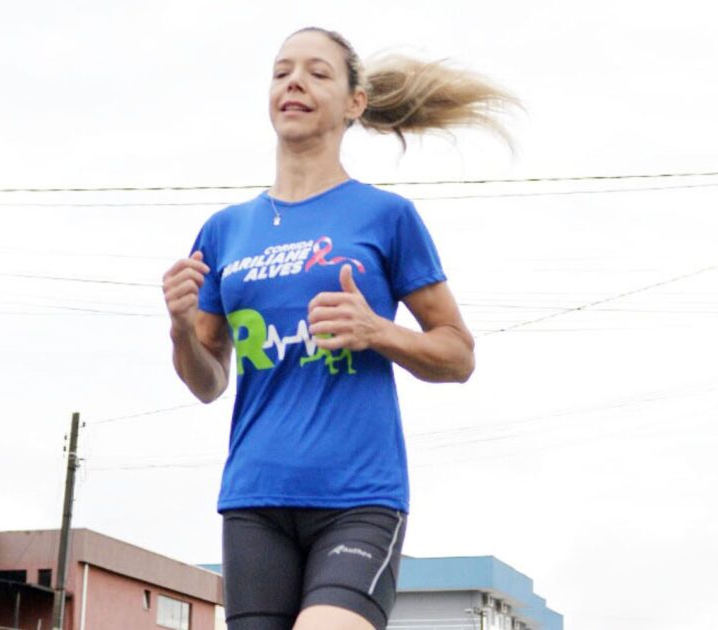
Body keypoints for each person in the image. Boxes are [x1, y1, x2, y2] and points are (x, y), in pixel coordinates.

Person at [161, 26, 516, 630]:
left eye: (317, 72)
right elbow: (208, 380)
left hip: (359, 496)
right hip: (254, 499)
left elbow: (458, 355)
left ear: (354, 103)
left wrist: (379, 330)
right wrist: (178, 329)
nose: (294, 81)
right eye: (281, 71)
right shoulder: (225, 231)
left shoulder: (387, 217)